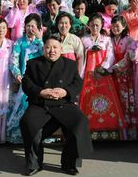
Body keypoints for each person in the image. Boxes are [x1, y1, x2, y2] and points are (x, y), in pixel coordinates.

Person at [20, 34, 93, 176]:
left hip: (63, 104)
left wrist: (65, 92)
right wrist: (41, 92)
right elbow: (26, 83)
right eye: (48, 47)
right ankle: (34, 163)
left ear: (61, 49)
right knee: (27, 122)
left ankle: (69, 163)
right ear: (43, 49)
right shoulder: (33, 63)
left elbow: (77, 83)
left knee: (79, 121)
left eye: (55, 47)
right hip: (40, 104)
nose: (51, 50)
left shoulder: (70, 64)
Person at [7, 14, 44, 144]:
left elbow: (47, 56)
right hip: (25, 79)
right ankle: (20, 137)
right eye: (28, 26)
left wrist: (40, 39)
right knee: (22, 105)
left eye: (33, 26)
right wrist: (17, 74)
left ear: (39, 27)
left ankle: (38, 136)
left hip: (39, 80)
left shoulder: (42, 42)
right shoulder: (19, 42)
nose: (30, 28)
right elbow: (13, 61)